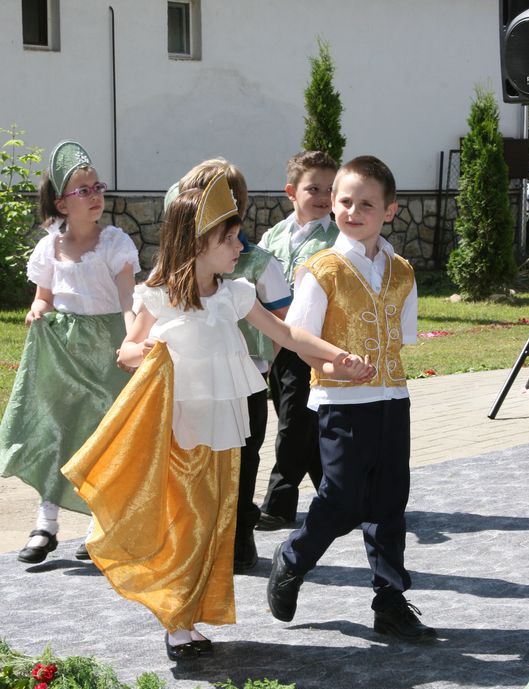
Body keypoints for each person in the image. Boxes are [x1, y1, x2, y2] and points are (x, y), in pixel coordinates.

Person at [62, 173, 374, 662]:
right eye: (228, 239)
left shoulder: (235, 293)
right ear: (196, 243)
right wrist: (149, 349)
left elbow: (288, 334)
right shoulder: (161, 295)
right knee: (187, 520)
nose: (239, 246)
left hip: (224, 428)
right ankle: (177, 621)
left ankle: (187, 613)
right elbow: (126, 353)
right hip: (177, 428)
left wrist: (337, 356)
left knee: (212, 520)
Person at [267, 155, 437, 642]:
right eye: (345, 201)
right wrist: (332, 363)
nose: (352, 211)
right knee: (341, 500)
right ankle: (293, 558)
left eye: (366, 204)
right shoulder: (322, 269)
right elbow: (299, 337)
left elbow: (401, 337)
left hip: (392, 399)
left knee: (390, 501)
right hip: (342, 403)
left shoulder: (402, 271)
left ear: (390, 211)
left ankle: (390, 601)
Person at [0, 140, 139, 564]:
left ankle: (99, 525)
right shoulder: (49, 248)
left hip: (107, 350)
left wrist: (132, 339)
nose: (95, 196)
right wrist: (37, 311)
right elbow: (44, 297)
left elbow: (128, 299)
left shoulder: (114, 243)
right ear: (62, 204)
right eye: (84, 190)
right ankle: (46, 524)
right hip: (62, 353)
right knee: (57, 432)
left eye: (98, 187)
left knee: (101, 438)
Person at [177, 158, 292, 573]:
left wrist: (265, 362)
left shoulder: (256, 263)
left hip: (246, 380)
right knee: (197, 461)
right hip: (194, 385)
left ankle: (241, 536)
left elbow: (284, 321)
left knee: (243, 460)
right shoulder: (178, 270)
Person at [255, 150, 339, 531]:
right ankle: (338, 496)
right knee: (302, 422)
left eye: (330, 190)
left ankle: (279, 503)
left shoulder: (337, 238)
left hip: (312, 340)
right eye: (313, 189)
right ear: (291, 192)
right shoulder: (274, 236)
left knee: (294, 422)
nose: (323, 197)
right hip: (276, 339)